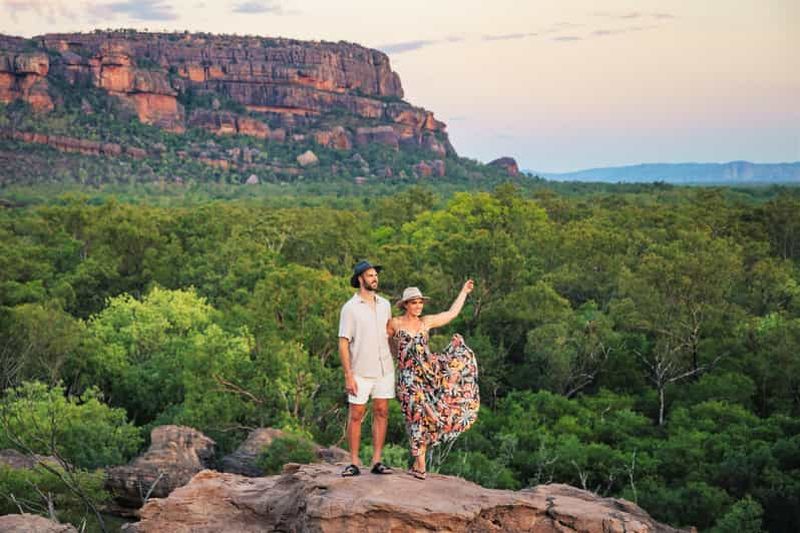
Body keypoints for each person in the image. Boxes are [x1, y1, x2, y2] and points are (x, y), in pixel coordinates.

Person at [388, 280, 479, 479]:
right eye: (414, 303)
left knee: (428, 417)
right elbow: (387, 343)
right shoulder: (395, 323)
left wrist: (464, 291)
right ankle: (420, 464)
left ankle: (417, 462)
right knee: (415, 414)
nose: (418, 306)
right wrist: (397, 359)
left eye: (420, 302)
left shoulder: (425, 322)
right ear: (405, 305)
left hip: (429, 374)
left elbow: (451, 314)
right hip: (407, 377)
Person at [338, 260, 395, 477]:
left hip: (384, 368)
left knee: (382, 411)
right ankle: (353, 462)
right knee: (356, 414)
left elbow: (390, 335)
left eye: (376, 275)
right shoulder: (350, 308)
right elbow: (343, 342)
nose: (375, 278)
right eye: (370, 275)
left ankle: (377, 461)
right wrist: (348, 375)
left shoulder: (385, 304)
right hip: (359, 370)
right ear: (361, 279)